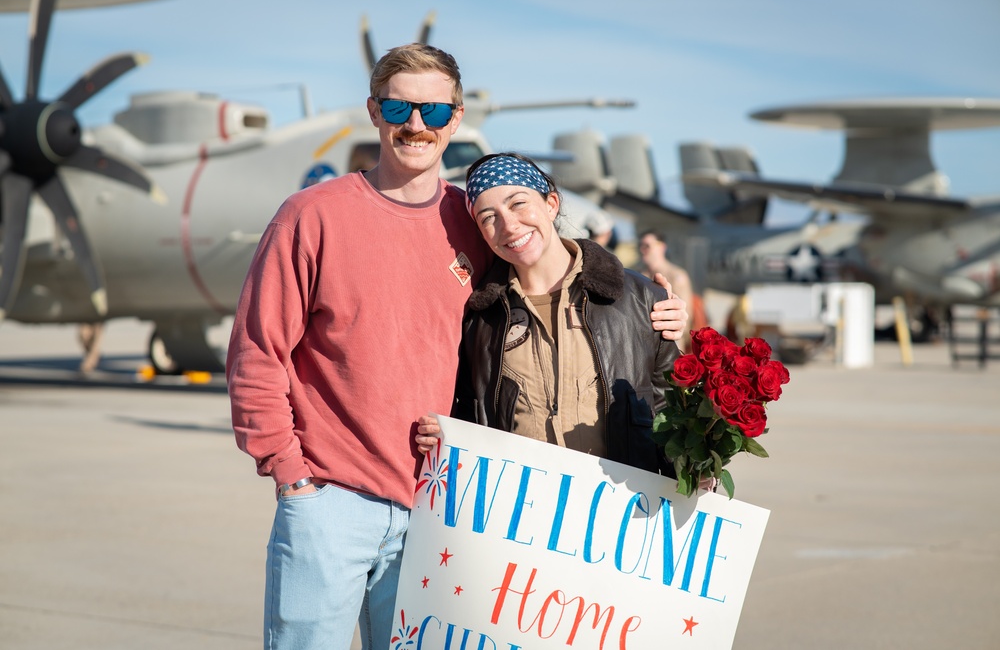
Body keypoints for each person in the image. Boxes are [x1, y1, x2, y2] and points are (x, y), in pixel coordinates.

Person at [226, 44, 689, 650]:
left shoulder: (472, 218)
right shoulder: (312, 215)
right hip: (329, 501)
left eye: (434, 111)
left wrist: (648, 300)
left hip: (443, 507)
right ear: (373, 111)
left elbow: (552, 265)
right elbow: (257, 351)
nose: (416, 125)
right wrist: (290, 474)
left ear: (456, 117)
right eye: (399, 107)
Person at [415, 153, 685, 478]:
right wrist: (445, 435)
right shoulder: (480, 320)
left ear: (551, 204)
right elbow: (472, 414)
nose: (509, 225)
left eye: (518, 204)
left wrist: (696, 475)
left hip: (620, 514)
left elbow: (671, 412)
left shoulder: (640, 299)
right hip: (520, 512)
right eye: (489, 218)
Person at [638, 228, 703, 351]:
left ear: (662, 247)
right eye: (640, 245)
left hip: (670, 346)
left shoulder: (677, 276)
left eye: (647, 246)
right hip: (643, 347)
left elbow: (685, 317)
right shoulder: (638, 275)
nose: (642, 250)